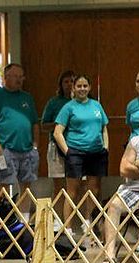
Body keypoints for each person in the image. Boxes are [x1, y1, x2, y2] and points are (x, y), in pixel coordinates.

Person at [54, 74, 109, 241]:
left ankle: (89, 225)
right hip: (76, 152)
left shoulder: (96, 106)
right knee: (72, 190)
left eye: (85, 86)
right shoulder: (68, 107)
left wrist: (105, 147)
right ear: (74, 88)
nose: (82, 89)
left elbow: (104, 128)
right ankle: (68, 229)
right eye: (79, 86)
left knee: (94, 190)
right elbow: (58, 133)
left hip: (96, 153)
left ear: (90, 87)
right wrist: (68, 152)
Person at [0, 63, 39, 227]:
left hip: (28, 150)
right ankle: (2, 224)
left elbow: (35, 123)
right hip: (6, 150)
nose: (19, 80)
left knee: (26, 186)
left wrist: (35, 145)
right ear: (6, 77)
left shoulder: (27, 98)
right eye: (15, 76)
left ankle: (23, 223)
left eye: (21, 76)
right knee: (3, 185)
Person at [101, 108, 139, 263]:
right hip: (132, 188)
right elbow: (124, 169)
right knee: (113, 206)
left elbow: (134, 167)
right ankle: (109, 255)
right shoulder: (135, 141)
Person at [41, 70, 75, 230]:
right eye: (66, 81)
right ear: (61, 85)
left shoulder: (81, 103)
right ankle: (56, 220)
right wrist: (59, 125)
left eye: (72, 81)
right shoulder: (54, 103)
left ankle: (72, 222)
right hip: (56, 148)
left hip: (76, 148)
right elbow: (43, 125)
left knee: (75, 186)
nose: (69, 85)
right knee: (59, 186)